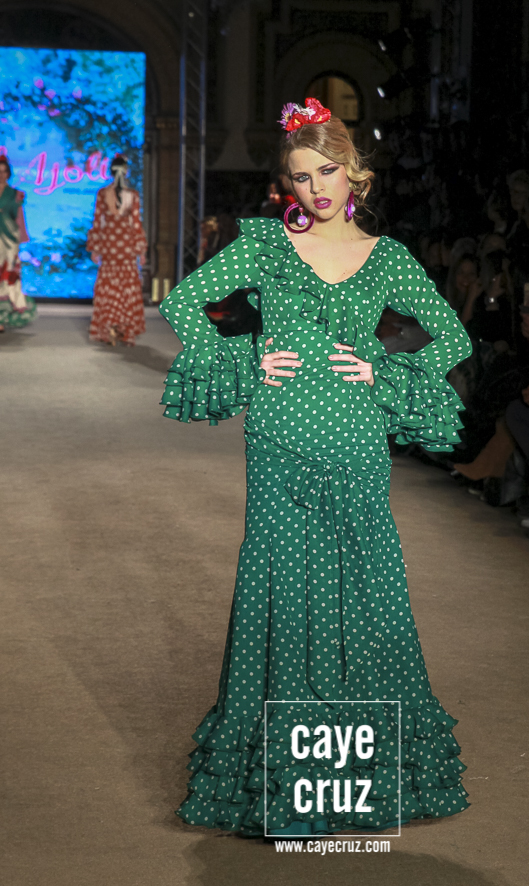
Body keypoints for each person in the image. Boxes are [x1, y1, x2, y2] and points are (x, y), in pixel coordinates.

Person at [159, 98, 472, 837]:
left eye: (327, 171)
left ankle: (363, 769)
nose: (315, 188)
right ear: (288, 184)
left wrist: (381, 368)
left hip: (357, 442)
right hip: (277, 436)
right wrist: (247, 356)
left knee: (365, 587)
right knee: (281, 584)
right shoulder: (267, 246)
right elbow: (183, 303)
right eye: (301, 177)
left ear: (353, 171)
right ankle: (283, 771)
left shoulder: (387, 257)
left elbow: (453, 337)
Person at [86, 154, 147, 346]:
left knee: (110, 286)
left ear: (111, 172)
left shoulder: (102, 194)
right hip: (126, 246)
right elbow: (136, 224)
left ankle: (110, 328)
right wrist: (141, 250)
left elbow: (97, 221)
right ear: (126, 172)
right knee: (126, 287)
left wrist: (95, 248)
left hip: (110, 245)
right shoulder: (133, 195)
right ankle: (125, 331)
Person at [0, 154, 36, 332]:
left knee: (7, 274)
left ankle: (3, 315)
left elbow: (19, 218)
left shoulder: (15, 194)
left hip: (8, 239)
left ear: (8, 174)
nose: (1, 175)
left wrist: (21, 238)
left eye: (4, 171)